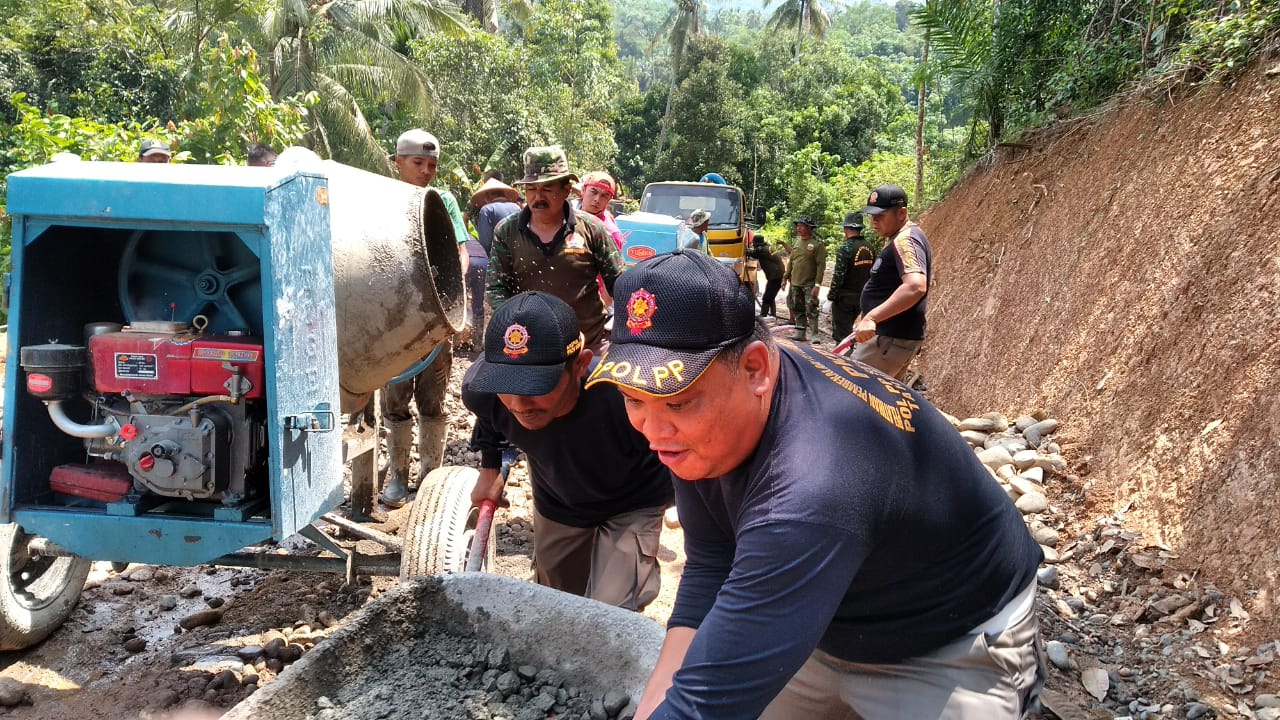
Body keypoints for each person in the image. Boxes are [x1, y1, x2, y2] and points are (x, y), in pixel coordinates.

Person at [585, 248, 1045, 720]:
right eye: (632, 399)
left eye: (678, 402)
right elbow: (711, 559)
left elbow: (702, 706)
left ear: (755, 369)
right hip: (821, 614)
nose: (654, 432)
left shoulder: (812, 483)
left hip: (947, 636)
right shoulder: (709, 419)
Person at [463, 291, 673, 610]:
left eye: (536, 387)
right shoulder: (483, 392)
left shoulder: (622, 396)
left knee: (610, 611)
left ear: (581, 365)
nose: (519, 405)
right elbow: (490, 420)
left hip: (634, 500)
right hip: (559, 499)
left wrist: (686, 501)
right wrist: (489, 470)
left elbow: (676, 445)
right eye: (507, 384)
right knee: (555, 606)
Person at [378, 128, 472, 507]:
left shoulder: (443, 200)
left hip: (435, 318)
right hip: (395, 319)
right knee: (395, 397)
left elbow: (461, 252)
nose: (426, 171)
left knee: (433, 399)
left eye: (432, 165)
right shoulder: (383, 198)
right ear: (398, 162)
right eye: (418, 163)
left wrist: (452, 295)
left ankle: (431, 479)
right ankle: (397, 477)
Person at [487, 146, 624, 353]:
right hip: (529, 346)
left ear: (566, 190)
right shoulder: (507, 231)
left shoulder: (592, 228)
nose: (538, 197)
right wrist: (515, 324)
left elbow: (619, 283)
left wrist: (621, 322)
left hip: (589, 344)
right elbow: (495, 289)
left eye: (547, 189)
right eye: (531, 189)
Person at [853, 184, 931, 380]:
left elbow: (915, 286)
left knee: (853, 388)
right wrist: (865, 315)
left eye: (880, 215)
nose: (873, 221)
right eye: (871, 216)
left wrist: (872, 318)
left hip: (889, 340)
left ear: (901, 213)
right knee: (884, 396)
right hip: (891, 339)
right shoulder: (901, 237)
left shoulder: (906, 240)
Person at [464, 176, 522, 351]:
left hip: (499, 259)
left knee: (496, 302)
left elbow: (485, 241)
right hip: (519, 259)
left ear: (487, 196)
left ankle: (497, 341)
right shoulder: (516, 207)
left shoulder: (487, 209)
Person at [827, 212, 876, 342]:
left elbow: (839, 275)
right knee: (856, 332)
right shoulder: (869, 247)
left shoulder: (846, 248)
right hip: (862, 297)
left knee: (842, 334)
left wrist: (831, 297)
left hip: (844, 298)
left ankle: (844, 354)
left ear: (846, 228)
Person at [782, 215, 825, 342]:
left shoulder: (817, 245)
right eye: (798, 226)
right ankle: (800, 333)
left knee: (811, 308)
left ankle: (814, 334)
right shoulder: (797, 242)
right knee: (797, 308)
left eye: (801, 226)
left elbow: (821, 266)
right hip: (795, 282)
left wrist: (817, 285)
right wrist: (785, 277)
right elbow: (791, 261)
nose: (798, 228)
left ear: (809, 228)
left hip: (809, 284)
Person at [746, 232, 784, 319]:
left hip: (776, 276)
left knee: (767, 296)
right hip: (776, 275)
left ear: (757, 243)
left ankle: (763, 315)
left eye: (754, 243)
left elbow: (753, 253)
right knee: (771, 295)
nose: (753, 245)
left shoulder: (763, 250)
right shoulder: (767, 247)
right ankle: (773, 314)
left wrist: (746, 251)